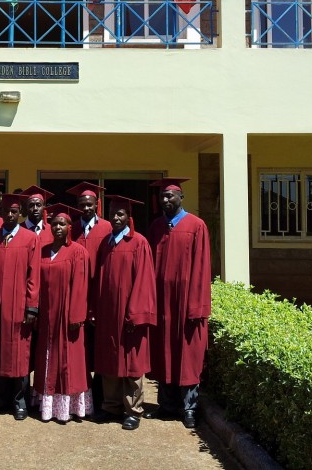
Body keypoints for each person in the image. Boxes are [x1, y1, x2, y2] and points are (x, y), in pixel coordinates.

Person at [145, 178, 212, 429]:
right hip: (163, 303)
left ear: (181, 198)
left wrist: (197, 305)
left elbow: (202, 269)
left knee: (188, 356)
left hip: (185, 303)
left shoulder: (196, 226)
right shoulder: (156, 227)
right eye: (162, 196)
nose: (166, 200)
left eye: (170, 196)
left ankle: (189, 408)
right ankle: (166, 405)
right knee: (164, 353)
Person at [90, 195, 156, 431]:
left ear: (129, 216)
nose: (116, 218)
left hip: (129, 315)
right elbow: (99, 280)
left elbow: (144, 281)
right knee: (109, 361)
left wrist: (135, 314)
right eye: (112, 214)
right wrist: (96, 309)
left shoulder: (139, 242)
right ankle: (111, 406)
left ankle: (133, 410)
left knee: (131, 364)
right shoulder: (106, 243)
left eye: (120, 214)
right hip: (108, 314)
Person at [0, 193, 40, 420]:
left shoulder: (30, 239)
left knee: (18, 354)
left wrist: (31, 306)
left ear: (20, 213)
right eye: (6, 211)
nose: (10, 215)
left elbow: (34, 276)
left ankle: (19, 402)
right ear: (1, 213)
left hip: (18, 307)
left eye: (14, 211)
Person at [32, 204, 93, 423]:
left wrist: (76, 315)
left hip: (68, 315)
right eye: (54, 224)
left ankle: (69, 405)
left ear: (69, 227)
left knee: (69, 359)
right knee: (47, 357)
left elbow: (81, 286)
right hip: (47, 315)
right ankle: (47, 403)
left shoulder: (78, 251)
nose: (57, 227)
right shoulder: (43, 251)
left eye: (62, 224)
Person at [66, 181, 112, 414]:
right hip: (77, 296)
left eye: (89, 204)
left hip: (100, 295)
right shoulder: (71, 229)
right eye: (82, 204)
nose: (85, 208)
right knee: (80, 349)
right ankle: (82, 397)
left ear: (97, 205)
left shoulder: (107, 228)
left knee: (100, 348)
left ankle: (102, 397)